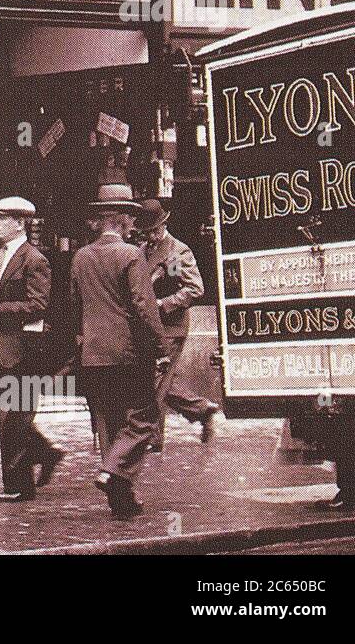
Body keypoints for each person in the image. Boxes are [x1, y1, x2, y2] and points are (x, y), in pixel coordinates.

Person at [70, 184, 169, 520]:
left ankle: (122, 500)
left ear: (100, 220)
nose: (133, 224)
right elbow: (144, 306)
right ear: (124, 219)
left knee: (111, 423)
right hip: (127, 352)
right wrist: (161, 345)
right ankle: (112, 471)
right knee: (144, 418)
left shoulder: (81, 256)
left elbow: (74, 306)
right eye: (131, 217)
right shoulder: (130, 255)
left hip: (93, 353)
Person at [0, 196, 61, 501]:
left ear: (20, 223)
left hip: (23, 352)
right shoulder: (2, 254)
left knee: (15, 420)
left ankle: (19, 486)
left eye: (2, 218)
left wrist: (3, 310)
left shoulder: (34, 259)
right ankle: (44, 452)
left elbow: (39, 305)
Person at [134, 199, 217, 451]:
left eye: (155, 230)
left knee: (158, 379)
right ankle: (202, 410)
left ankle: (153, 437)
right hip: (149, 327)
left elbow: (195, 288)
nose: (151, 236)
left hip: (171, 327)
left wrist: (163, 304)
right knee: (158, 380)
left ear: (164, 224)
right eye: (147, 231)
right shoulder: (140, 250)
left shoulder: (177, 252)